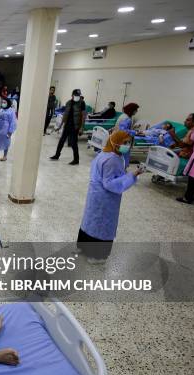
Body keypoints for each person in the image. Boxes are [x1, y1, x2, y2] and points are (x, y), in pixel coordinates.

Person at [77, 131, 143, 263]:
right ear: (114, 141)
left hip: (96, 194)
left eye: (129, 142)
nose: (127, 145)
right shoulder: (112, 159)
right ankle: (96, 256)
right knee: (102, 225)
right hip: (105, 198)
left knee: (91, 221)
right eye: (125, 142)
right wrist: (132, 175)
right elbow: (110, 184)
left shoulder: (105, 153)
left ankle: (84, 248)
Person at [50, 89, 86, 165]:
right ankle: (57, 155)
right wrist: (60, 126)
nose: (77, 97)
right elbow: (65, 115)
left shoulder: (82, 103)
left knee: (74, 143)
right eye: (76, 95)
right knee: (61, 140)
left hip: (75, 126)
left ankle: (76, 160)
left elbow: (84, 115)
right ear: (72, 95)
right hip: (67, 125)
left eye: (78, 96)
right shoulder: (68, 103)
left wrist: (82, 127)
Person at [177, 114, 194, 204]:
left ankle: (187, 198)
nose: (185, 121)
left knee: (193, 176)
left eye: (188, 120)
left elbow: (191, 140)